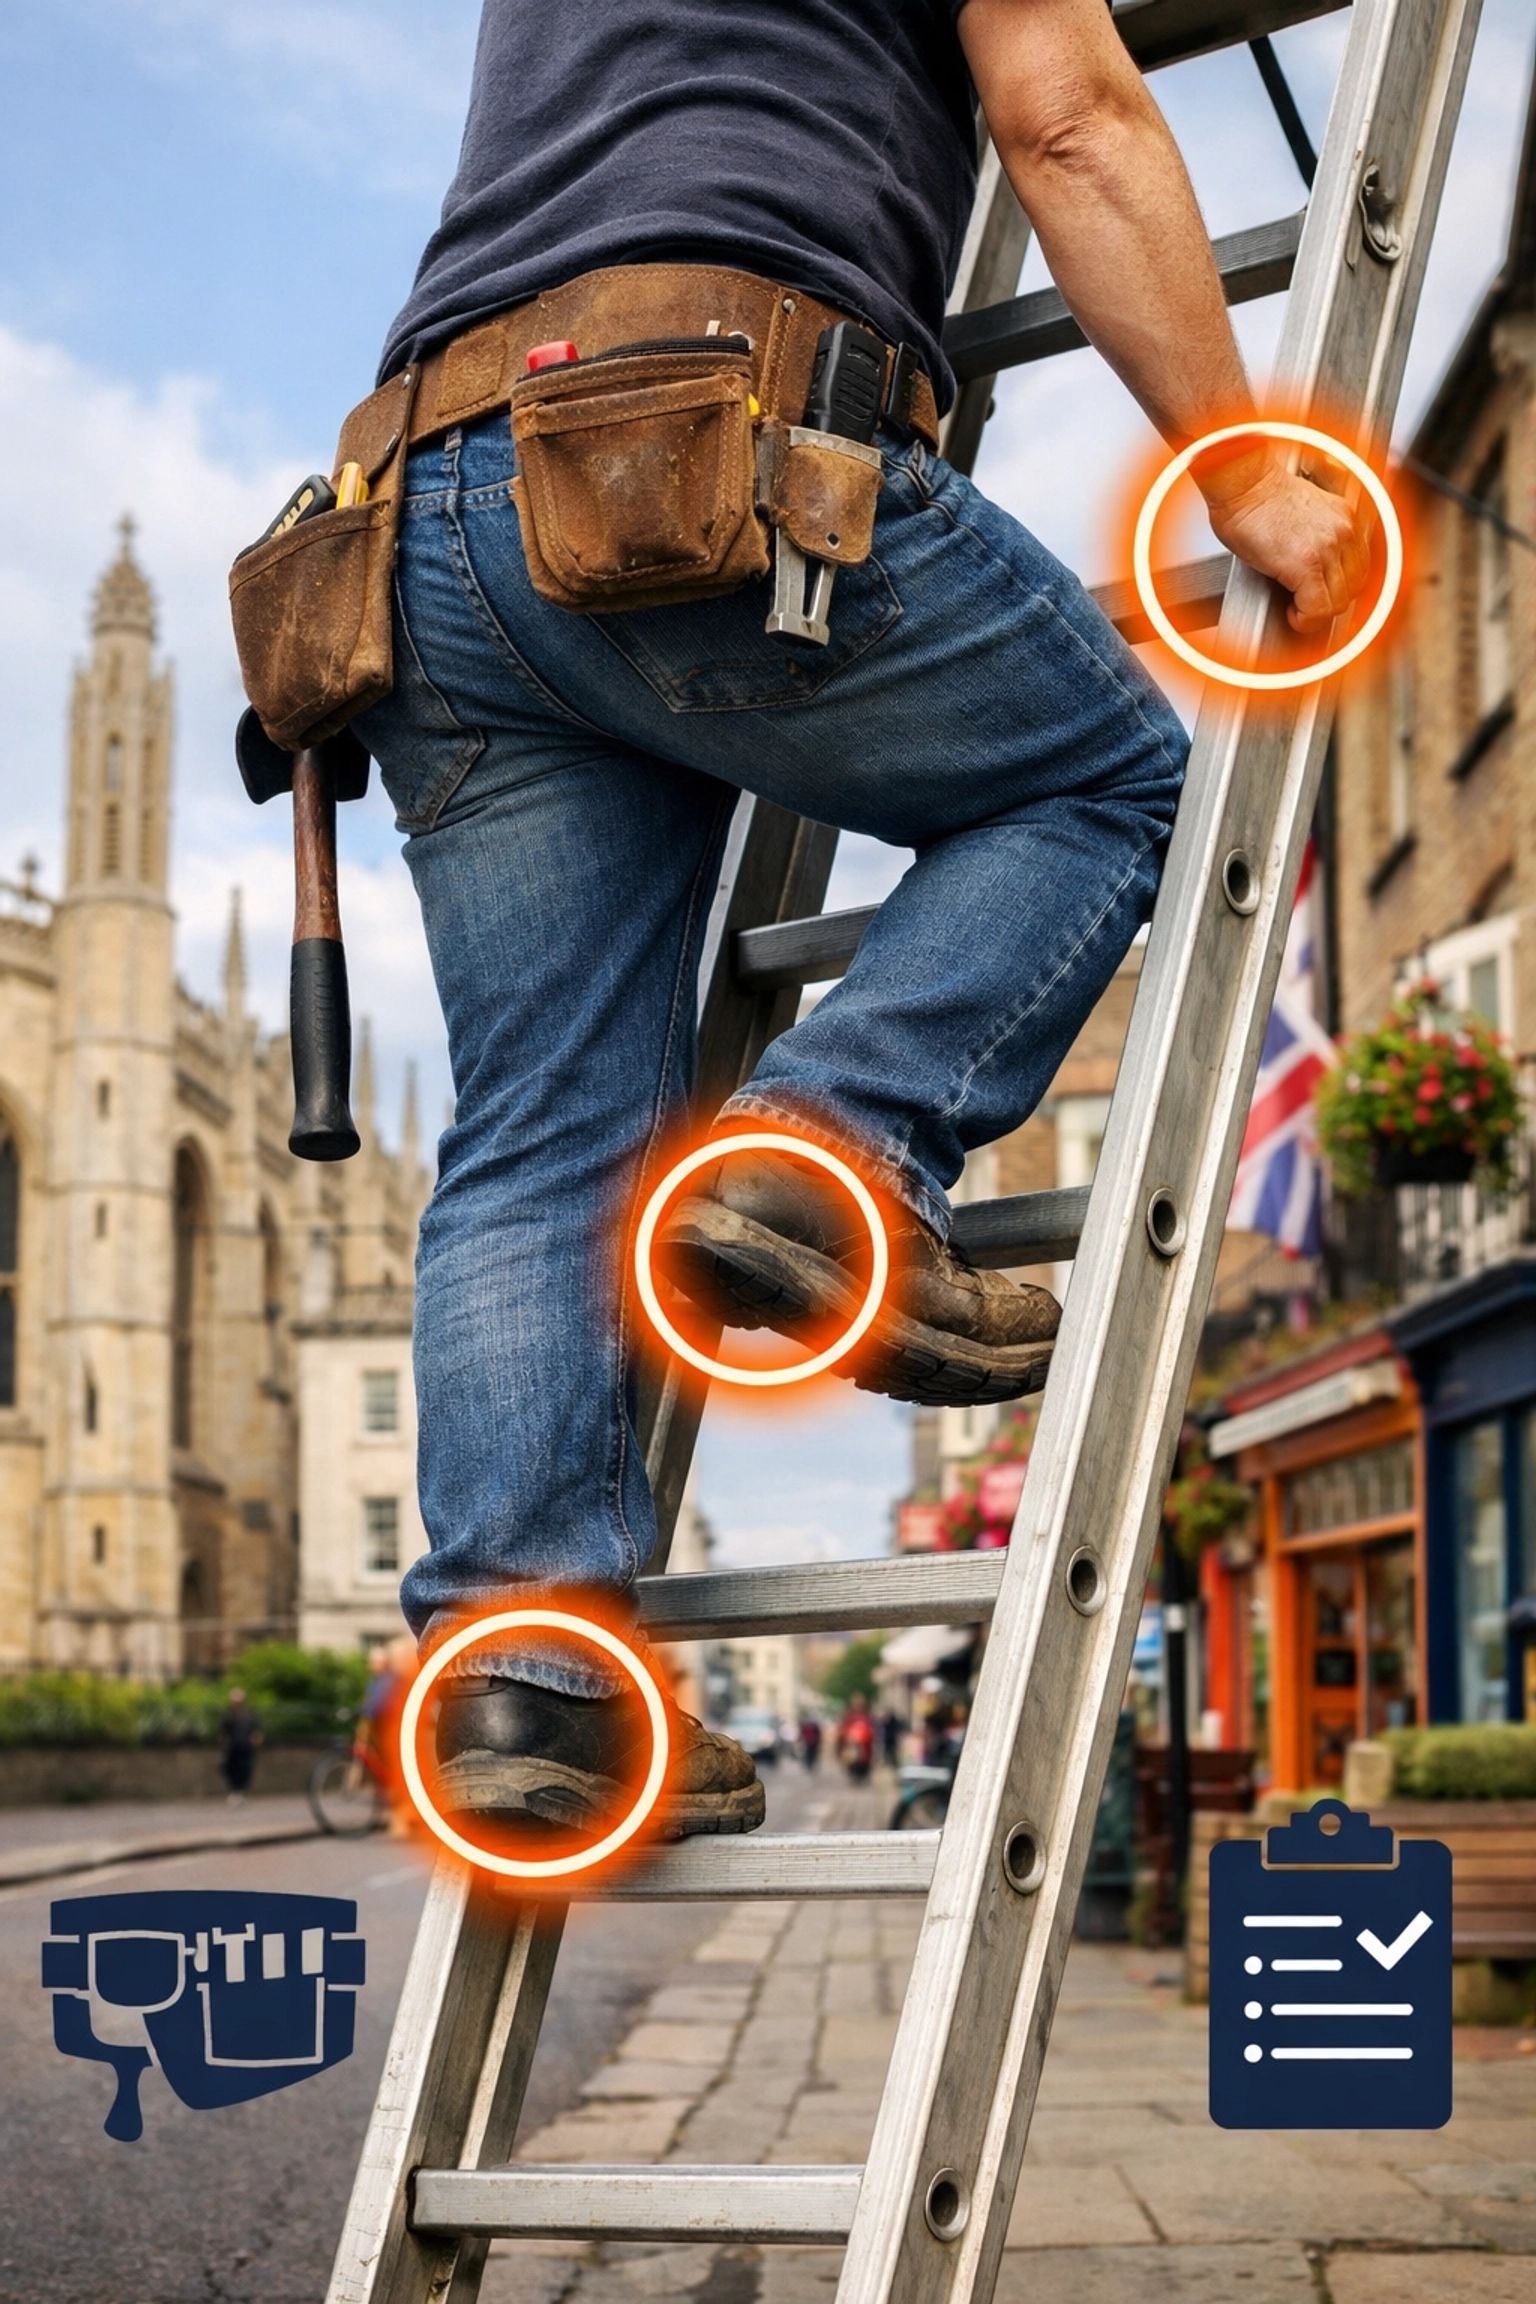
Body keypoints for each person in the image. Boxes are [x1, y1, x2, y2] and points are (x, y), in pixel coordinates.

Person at [352, 0, 1372, 1840]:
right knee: (1114, 777)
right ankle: (827, 1150)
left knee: (539, 1132)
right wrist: (1241, 471)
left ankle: (533, 1678)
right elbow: (1064, 114)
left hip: (418, 513)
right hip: (702, 421)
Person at [217, 1687, 262, 1805]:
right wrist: (223, 1745)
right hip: (233, 1747)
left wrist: (256, 1740)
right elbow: (223, 1731)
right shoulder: (228, 1715)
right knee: (231, 1770)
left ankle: (243, 1793)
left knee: (245, 1769)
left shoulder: (249, 1714)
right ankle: (234, 1792)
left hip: (246, 1747)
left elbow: (256, 1730)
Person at [837, 1693, 877, 1783]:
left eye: (859, 1705)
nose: (858, 1707)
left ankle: (863, 1774)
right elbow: (843, 1729)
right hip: (852, 1742)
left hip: (865, 1743)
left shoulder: (867, 1716)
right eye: (856, 1705)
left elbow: (872, 1728)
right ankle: (854, 1774)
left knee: (865, 1760)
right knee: (852, 1759)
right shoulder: (849, 1716)